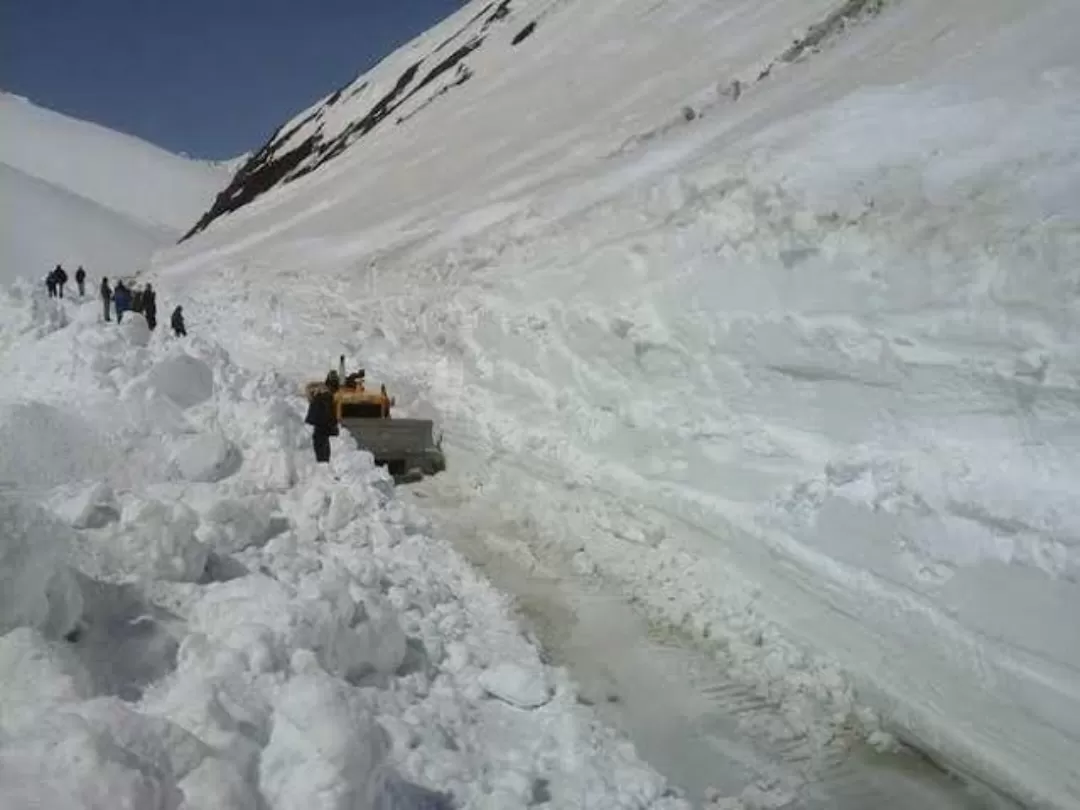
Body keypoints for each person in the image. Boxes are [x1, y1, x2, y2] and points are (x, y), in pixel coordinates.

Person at [305, 371, 340, 463]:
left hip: (312, 427)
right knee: (322, 455)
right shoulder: (326, 397)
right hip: (321, 428)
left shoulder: (318, 393)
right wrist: (334, 428)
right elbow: (328, 415)